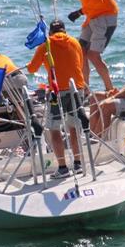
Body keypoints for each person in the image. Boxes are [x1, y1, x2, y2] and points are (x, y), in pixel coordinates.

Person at [49, 0, 118, 93]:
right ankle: (85, 90)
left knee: (93, 54)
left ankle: (109, 89)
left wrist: (79, 12)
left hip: (105, 16)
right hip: (92, 17)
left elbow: (97, 1)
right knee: (81, 51)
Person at [27, 19, 86, 179]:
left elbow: (32, 69)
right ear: (65, 31)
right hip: (77, 89)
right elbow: (79, 64)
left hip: (57, 92)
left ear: (50, 33)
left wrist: (29, 64)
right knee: (74, 127)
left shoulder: (45, 45)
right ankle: (79, 164)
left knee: (54, 129)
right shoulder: (75, 42)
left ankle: (62, 167)